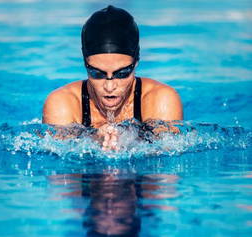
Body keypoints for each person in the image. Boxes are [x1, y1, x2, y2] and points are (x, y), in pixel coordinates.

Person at [42, 5, 183, 150]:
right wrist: (92, 141)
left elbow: (166, 163)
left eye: (121, 73)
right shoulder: (63, 103)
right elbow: (61, 167)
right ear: (85, 64)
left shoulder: (161, 99)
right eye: (97, 74)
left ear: (136, 62)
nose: (109, 87)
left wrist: (131, 141)